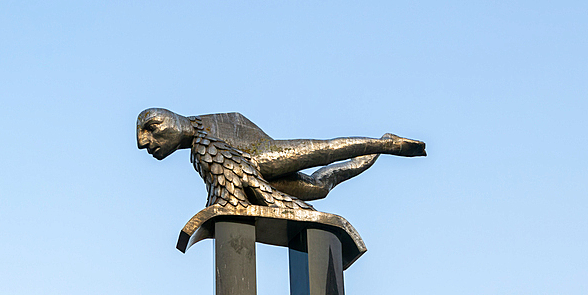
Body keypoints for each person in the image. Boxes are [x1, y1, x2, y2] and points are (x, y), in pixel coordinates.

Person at [137, 108, 425, 209]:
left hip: (264, 158)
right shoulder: (198, 150)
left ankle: (387, 144)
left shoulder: (203, 131)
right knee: (320, 188)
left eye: (151, 129)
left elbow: (239, 124)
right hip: (256, 178)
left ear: (170, 119)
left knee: (324, 149)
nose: (143, 142)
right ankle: (374, 153)